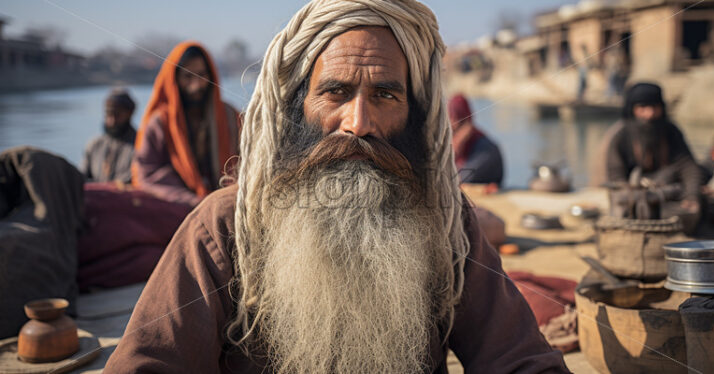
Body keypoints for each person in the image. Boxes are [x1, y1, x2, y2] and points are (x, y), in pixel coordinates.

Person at [105, 1, 569, 373]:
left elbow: (522, 360)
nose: (359, 124)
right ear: (296, 108)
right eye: (336, 92)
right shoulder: (225, 229)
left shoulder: (447, 222)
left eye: (385, 95)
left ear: (416, 116)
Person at [132, 41, 240, 207]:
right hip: (179, 206)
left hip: (227, 203)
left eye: (202, 75)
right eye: (188, 77)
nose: (196, 85)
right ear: (175, 79)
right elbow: (146, 174)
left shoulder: (231, 116)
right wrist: (195, 202)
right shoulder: (160, 123)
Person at [605, 82, 702, 216]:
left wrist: (691, 195)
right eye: (643, 108)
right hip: (634, 196)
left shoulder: (671, 132)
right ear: (632, 109)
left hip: (667, 193)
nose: (649, 114)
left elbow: (688, 166)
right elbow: (616, 176)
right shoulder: (621, 137)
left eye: (654, 107)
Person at [81, 88, 137, 183]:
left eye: (117, 115)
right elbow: (81, 179)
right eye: (108, 114)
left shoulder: (140, 145)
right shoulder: (94, 146)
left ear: (129, 114)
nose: (112, 121)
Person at [448, 94, 504, 186]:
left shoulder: (486, 148)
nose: (452, 122)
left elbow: (465, 176)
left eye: (456, 117)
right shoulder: (452, 143)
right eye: (450, 116)